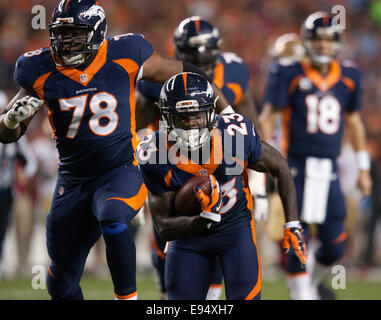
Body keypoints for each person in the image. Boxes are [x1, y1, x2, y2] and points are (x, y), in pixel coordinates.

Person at [0, 0, 231, 300]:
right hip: (72, 182)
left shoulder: (126, 53)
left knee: (113, 218)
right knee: (61, 281)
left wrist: (228, 114)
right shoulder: (38, 68)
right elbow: (8, 134)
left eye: (75, 34)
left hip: (120, 170)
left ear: (97, 33)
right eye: (61, 33)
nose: (66, 42)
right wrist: (10, 119)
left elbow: (191, 77)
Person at [137, 72, 308, 300]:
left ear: (210, 112)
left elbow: (280, 166)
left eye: (196, 114)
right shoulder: (155, 153)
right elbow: (164, 225)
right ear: (166, 118)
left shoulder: (234, 136)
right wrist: (201, 220)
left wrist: (293, 223)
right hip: (188, 240)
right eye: (181, 116)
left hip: (234, 231)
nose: (190, 123)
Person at [136, 16, 266, 300]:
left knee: (224, 232)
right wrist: (146, 165)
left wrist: (258, 184)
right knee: (169, 239)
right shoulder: (158, 80)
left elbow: (250, 123)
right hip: (175, 166)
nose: (201, 63)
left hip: (222, 163)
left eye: (206, 57)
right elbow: (137, 127)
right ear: (178, 53)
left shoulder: (234, 71)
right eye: (193, 57)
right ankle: (167, 285)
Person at [260, 12, 372, 300]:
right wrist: (260, 162)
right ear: (307, 42)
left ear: (336, 43)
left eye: (328, 40)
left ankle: (310, 283)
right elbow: (269, 116)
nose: (323, 46)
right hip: (294, 164)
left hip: (330, 166)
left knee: (335, 243)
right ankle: (302, 295)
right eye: (318, 40)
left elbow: (355, 121)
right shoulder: (288, 72)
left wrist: (362, 167)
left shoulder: (349, 75)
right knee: (296, 236)